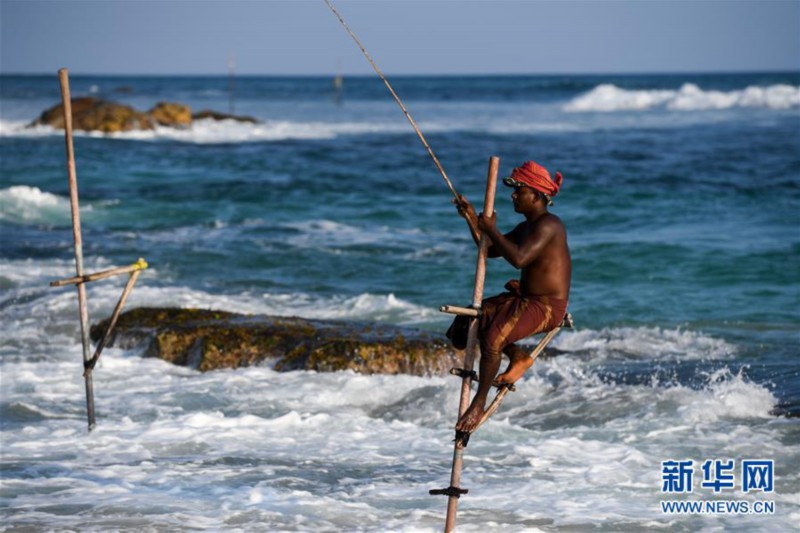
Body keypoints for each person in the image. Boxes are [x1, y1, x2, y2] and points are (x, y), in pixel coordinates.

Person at [451, 160, 571, 433]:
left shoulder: (550, 225)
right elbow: (491, 250)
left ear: (537, 196)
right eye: (514, 190)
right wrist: (471, 217)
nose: (513, 196)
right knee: (469, 324)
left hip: (546, 307)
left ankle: (477, 404)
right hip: (526, 298)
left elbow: (518, 258)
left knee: (493, 339)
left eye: (519, 190)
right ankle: (518, 356)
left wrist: (491, 228)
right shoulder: (525, 227)